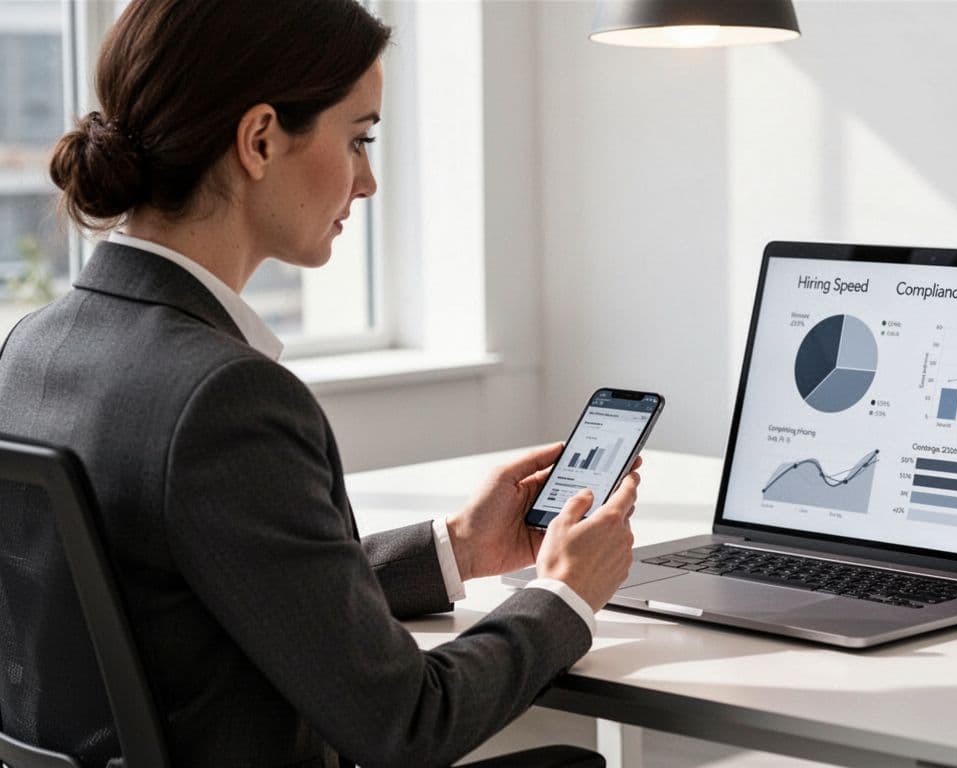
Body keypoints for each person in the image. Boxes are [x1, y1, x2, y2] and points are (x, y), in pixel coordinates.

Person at [0, 1, 639, 766]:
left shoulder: (31, 350)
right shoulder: (225, 399)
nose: (368, 181)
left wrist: (457, 549)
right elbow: (406, 724)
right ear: (260, 139)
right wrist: (565, 595)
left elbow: (218, 588)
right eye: (359, 139)